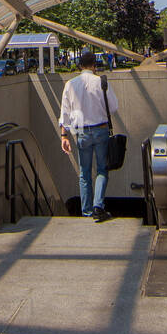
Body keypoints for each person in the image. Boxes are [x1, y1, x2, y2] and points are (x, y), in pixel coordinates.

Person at [59, 51, 117, 221]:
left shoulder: (70, 84)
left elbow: (65, 112)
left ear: (80, 65)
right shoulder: (101, 82)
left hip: (81, 132)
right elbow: (113, 107)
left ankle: (86, 211)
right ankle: (98, 206)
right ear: (94, 65)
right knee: (102, 170)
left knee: (84, 173)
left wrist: (64, 135)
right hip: (100, 129)